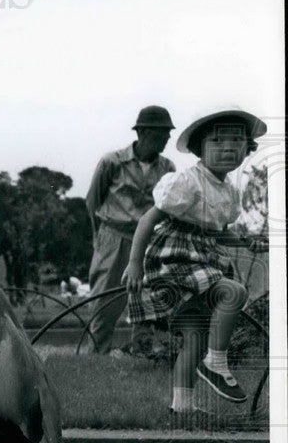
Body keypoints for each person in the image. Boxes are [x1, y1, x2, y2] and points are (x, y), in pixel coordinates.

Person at [122, 108, 267, 414]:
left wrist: (247, 242)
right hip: (176, 261)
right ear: (200, 148)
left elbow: (218, 234)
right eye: (218, 142)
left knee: (196, 338)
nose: (229, 148)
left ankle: (182, 407)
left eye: (237, 142)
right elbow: (149, 219)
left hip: (203, 261)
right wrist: (134, 262)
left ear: (247, 149)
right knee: (234, 291)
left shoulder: (228, 191)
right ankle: (216, 362)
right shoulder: (187, 182)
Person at [85, 105, 177, 355]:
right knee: (105, 299)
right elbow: (92, 200)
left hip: (148, 239)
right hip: (113, 236)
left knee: (146, 299)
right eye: (162, 132)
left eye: (169, 132)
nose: (167, 137)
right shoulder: (112, 162)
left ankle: (142, 354)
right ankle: (96, 356)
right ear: (143, 132)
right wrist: (100, 238)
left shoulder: (168, 168)